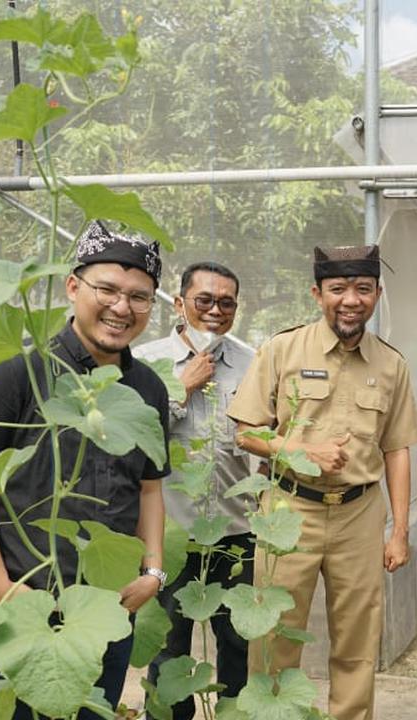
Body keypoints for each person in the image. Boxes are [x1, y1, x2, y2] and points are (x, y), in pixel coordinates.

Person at [0, 221, 171, 718]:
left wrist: (153, 571)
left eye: (139, 297)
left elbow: (149, 487)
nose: (122, 307)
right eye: (107, 289)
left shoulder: (148, 388)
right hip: (19, 607)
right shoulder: (17, 370)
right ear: (72, 286)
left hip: (104, 613)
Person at [227, 244, 417, 720]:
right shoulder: (282, 350)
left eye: (363, 289)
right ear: (317, 294)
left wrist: (399, 530)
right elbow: (246, 433)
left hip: (360, 514)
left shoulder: (391, 364)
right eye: (338, 289)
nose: (351, 300)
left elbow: (397, 448)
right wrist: (299, 450)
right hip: (289, 511)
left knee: (358, 639)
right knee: (274, 633)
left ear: (377, 295)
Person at [135, 261, 256, 718]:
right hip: (169, 535)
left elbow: (263, 437)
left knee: (238, 643)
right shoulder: (145, 363)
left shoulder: (252, 363)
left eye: (227, 303)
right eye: (204, 300)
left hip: (236, 532)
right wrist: (179, 390)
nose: (215, 311)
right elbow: (133, 441)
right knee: (169, 649)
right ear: (179, 303)